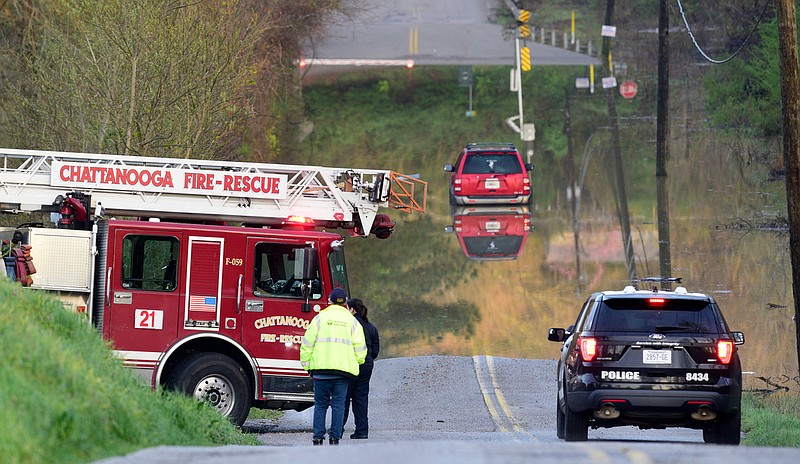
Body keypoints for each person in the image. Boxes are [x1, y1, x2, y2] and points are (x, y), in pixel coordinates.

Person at [300, 288, 366, 445]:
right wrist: (356, 363)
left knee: (320, 405)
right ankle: (335, 437)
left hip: (320, 371)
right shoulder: (352, 322)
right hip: (342, 373)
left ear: (329, 301)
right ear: (345, 304)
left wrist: (307, 365)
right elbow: (361, 348)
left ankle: (318, 436)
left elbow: (307, 344)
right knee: (338, 404)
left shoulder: (319, 318)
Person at [342, 298, 380, 439]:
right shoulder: (371, 327)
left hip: (350, 364)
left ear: (352, 309)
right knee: (361, 398)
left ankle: (338, 429)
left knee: (344, 397)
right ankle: (362, 431)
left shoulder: (349, 325)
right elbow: (375, 351)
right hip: (366, 364)